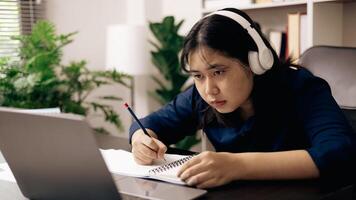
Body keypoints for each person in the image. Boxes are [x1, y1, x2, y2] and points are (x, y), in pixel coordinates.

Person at [129, 8, 356, 189]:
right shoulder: (200, 97)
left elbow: (338, 151)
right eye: (198, 76)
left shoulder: (301, 87)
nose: (209, 90)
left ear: (256, 61)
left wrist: (238, 165)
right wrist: (141, 140)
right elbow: (152, 124)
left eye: (219, 72)